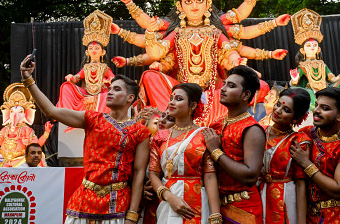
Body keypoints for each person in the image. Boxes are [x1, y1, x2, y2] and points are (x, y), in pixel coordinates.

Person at [113, 0, 290, 126]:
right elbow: (158, 55)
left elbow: (230, 53)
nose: (194, 6)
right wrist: (135, 13)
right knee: (150, 76)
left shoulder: (215, 31)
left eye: (199, 1)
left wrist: (238, 64)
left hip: (213, 93)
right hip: (180, 92)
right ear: (180, 6)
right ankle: (171, 118)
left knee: (261, 86)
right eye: (188, 2)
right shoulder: (176, 32)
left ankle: (204, 119)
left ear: (207, 5)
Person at [20, 54, 150, 224]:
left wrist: (132, 215)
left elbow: (139, 173)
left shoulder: (139, 131)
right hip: (83, 201)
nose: (110, 91)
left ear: (130, 98)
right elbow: (51, 111)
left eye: (117, 89)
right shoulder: (92, 119)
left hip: (117, 204)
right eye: (110, 88)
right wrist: (28, 80)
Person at [290, 87, 340, 224]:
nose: (317, 111)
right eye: (317, 105)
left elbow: (338, 189)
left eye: (325, 108)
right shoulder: (306, 133)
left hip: (335, 217)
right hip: (303, 213)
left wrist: (306, 164)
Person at [149, 83, 221, 224]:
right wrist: (170, 197)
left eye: (179, 99)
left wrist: (215, 215)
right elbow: (153, 174)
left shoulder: (204, 135)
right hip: (168, 200)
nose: (172, 102)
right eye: (171, 98)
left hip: (197, 201)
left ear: (193, 106)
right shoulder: (160, 136)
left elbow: (210, 176)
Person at [203, 65, 265, 223]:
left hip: (244, 208)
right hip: (215, 206)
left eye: (231, 86)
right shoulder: (216, 126)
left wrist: (216, 152)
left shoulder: (252, 129)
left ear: (246, 95)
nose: (223, 89)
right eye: (224, 84)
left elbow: (250, 176)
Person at [289, 8, 340, 114]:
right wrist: (294, 79)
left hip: (327, 88)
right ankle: (319, 112)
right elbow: (294, 84)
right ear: (302, 50)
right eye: (308, 45)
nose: (312, 47)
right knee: (305, 93)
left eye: (315, 45)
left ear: (319, 49)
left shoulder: (322, 64)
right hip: (312, 90)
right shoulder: (302, 66)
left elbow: (333, 79)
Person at [259, 88, 311, 224]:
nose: (278, 111)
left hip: (286, 198)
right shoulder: (259, 130)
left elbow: (301, 184)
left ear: (296, 118)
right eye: (278, 104)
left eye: (286, 110)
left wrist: (301, 221)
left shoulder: (298, 140)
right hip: (258, 194)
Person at [56, 10, 115, 123]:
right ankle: (68, 117)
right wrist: (71, 78)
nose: (93, 51)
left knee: (108, 95)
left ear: (102, 52)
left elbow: (115, 81)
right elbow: (76, 78)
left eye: (97, 49)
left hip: (101, 95)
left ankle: (97, 110)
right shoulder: (86, 67)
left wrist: (108, 80)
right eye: (91, 49)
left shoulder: (105, 68)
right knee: (66, 87)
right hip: (86, 93)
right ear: (87, 52)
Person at [0, 83, 51, 167]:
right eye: (12, 112)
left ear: (26, 114)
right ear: (8, 114)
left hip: (20, 158)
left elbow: (37, 145)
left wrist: (46, 133)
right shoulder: (5, 129)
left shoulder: (27, 129)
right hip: (2, 156)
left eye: (20, 112)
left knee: (35, 158)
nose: (15, 115)